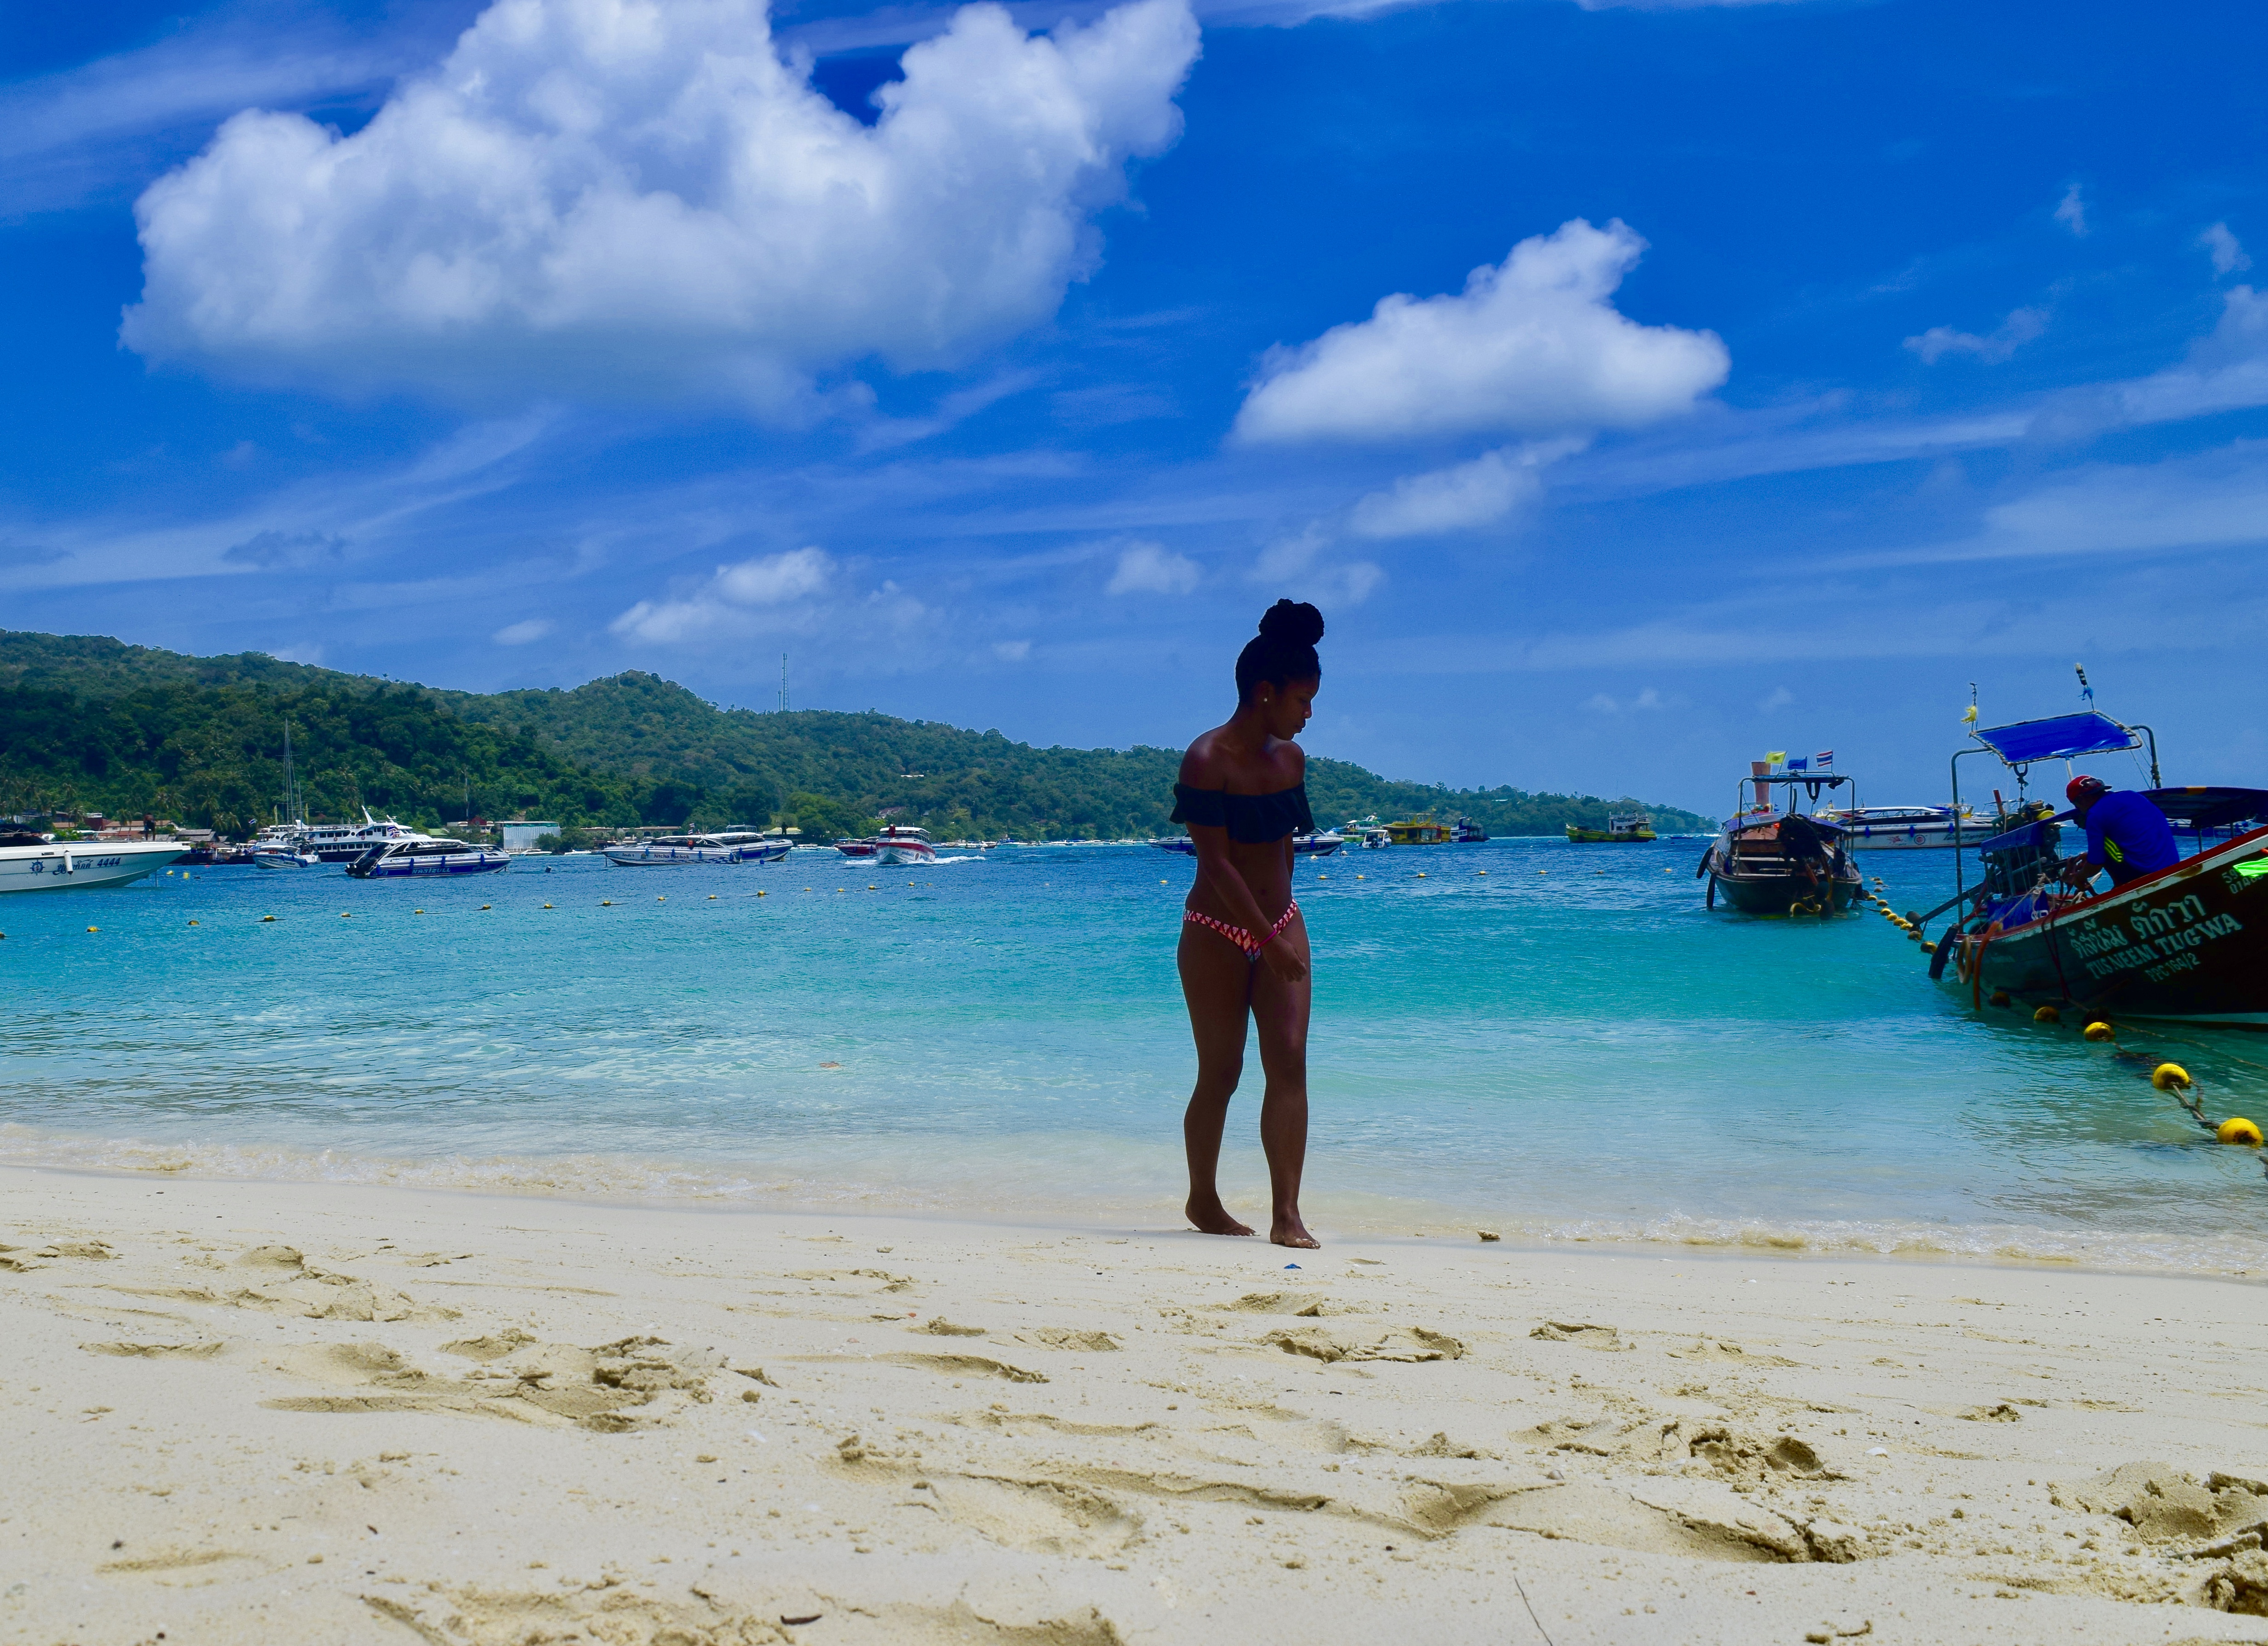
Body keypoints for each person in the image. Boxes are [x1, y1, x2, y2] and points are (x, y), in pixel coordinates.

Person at [1171, 599, 1324, 1249]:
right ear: (1266, 693)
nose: (1308, 714)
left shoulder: (1291, 761)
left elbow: (1282, 850)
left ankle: (1286, 1214)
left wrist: (1283, 927)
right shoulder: (1207, 759)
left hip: (1280, 923)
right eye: (1301, 700)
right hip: (1216, 929)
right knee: (1223, 1071)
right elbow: (1216, 862)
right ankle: (1203, 1200)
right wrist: (1262, 937)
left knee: (1289, 1061)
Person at [2060, 774, 2179, 891]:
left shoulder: (2095, 815)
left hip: (2146, 873)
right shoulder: (2133, 795)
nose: (2079, 810)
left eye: (2076, 806)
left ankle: (2121, 888)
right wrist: (2091, 856)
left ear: (2081, 799)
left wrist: (2080, 877)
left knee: (2103, 847)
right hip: (2173, 866)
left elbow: (2096, 864)